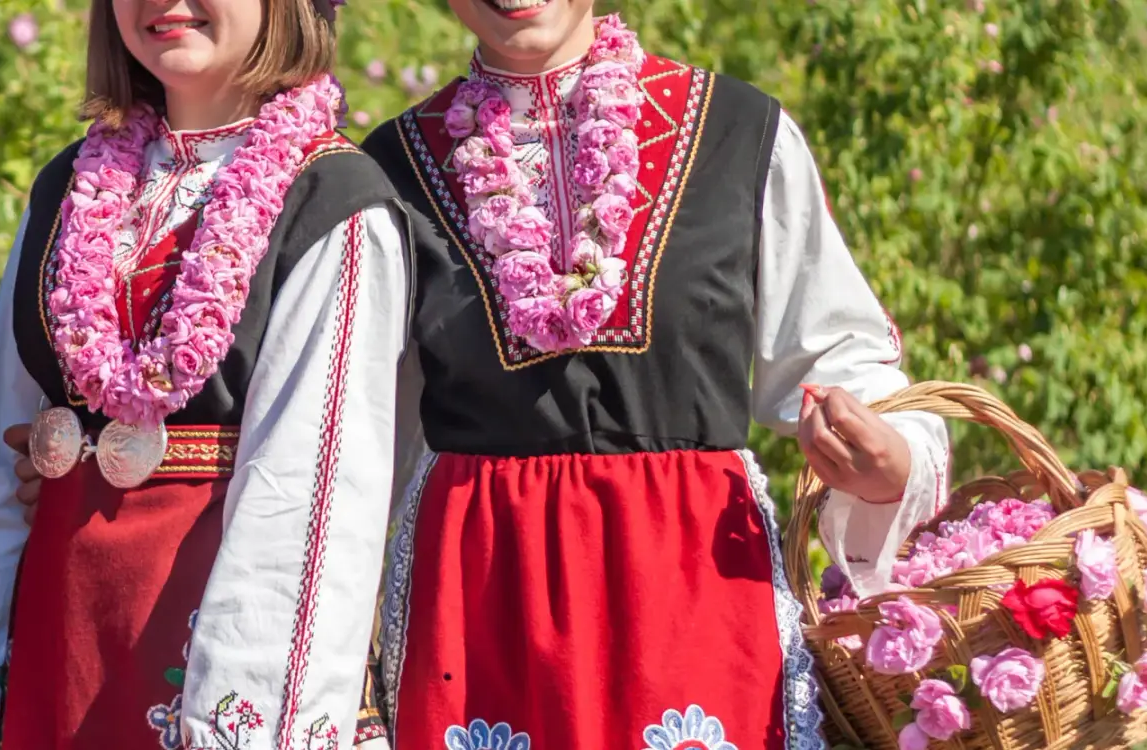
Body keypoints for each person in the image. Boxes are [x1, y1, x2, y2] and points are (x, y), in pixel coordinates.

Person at [355, 2, 953, 748]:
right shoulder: (390, 170)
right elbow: (355, 445)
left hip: (691, 598)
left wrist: (888, 457)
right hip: (481, 622)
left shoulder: (737, 132)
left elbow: (837, 358)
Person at [0, 0, 413, 747]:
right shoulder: (69, 183)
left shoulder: (335, 203)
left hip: (218, 648)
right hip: (59, 642)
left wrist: (240, 725)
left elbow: (311, 504)